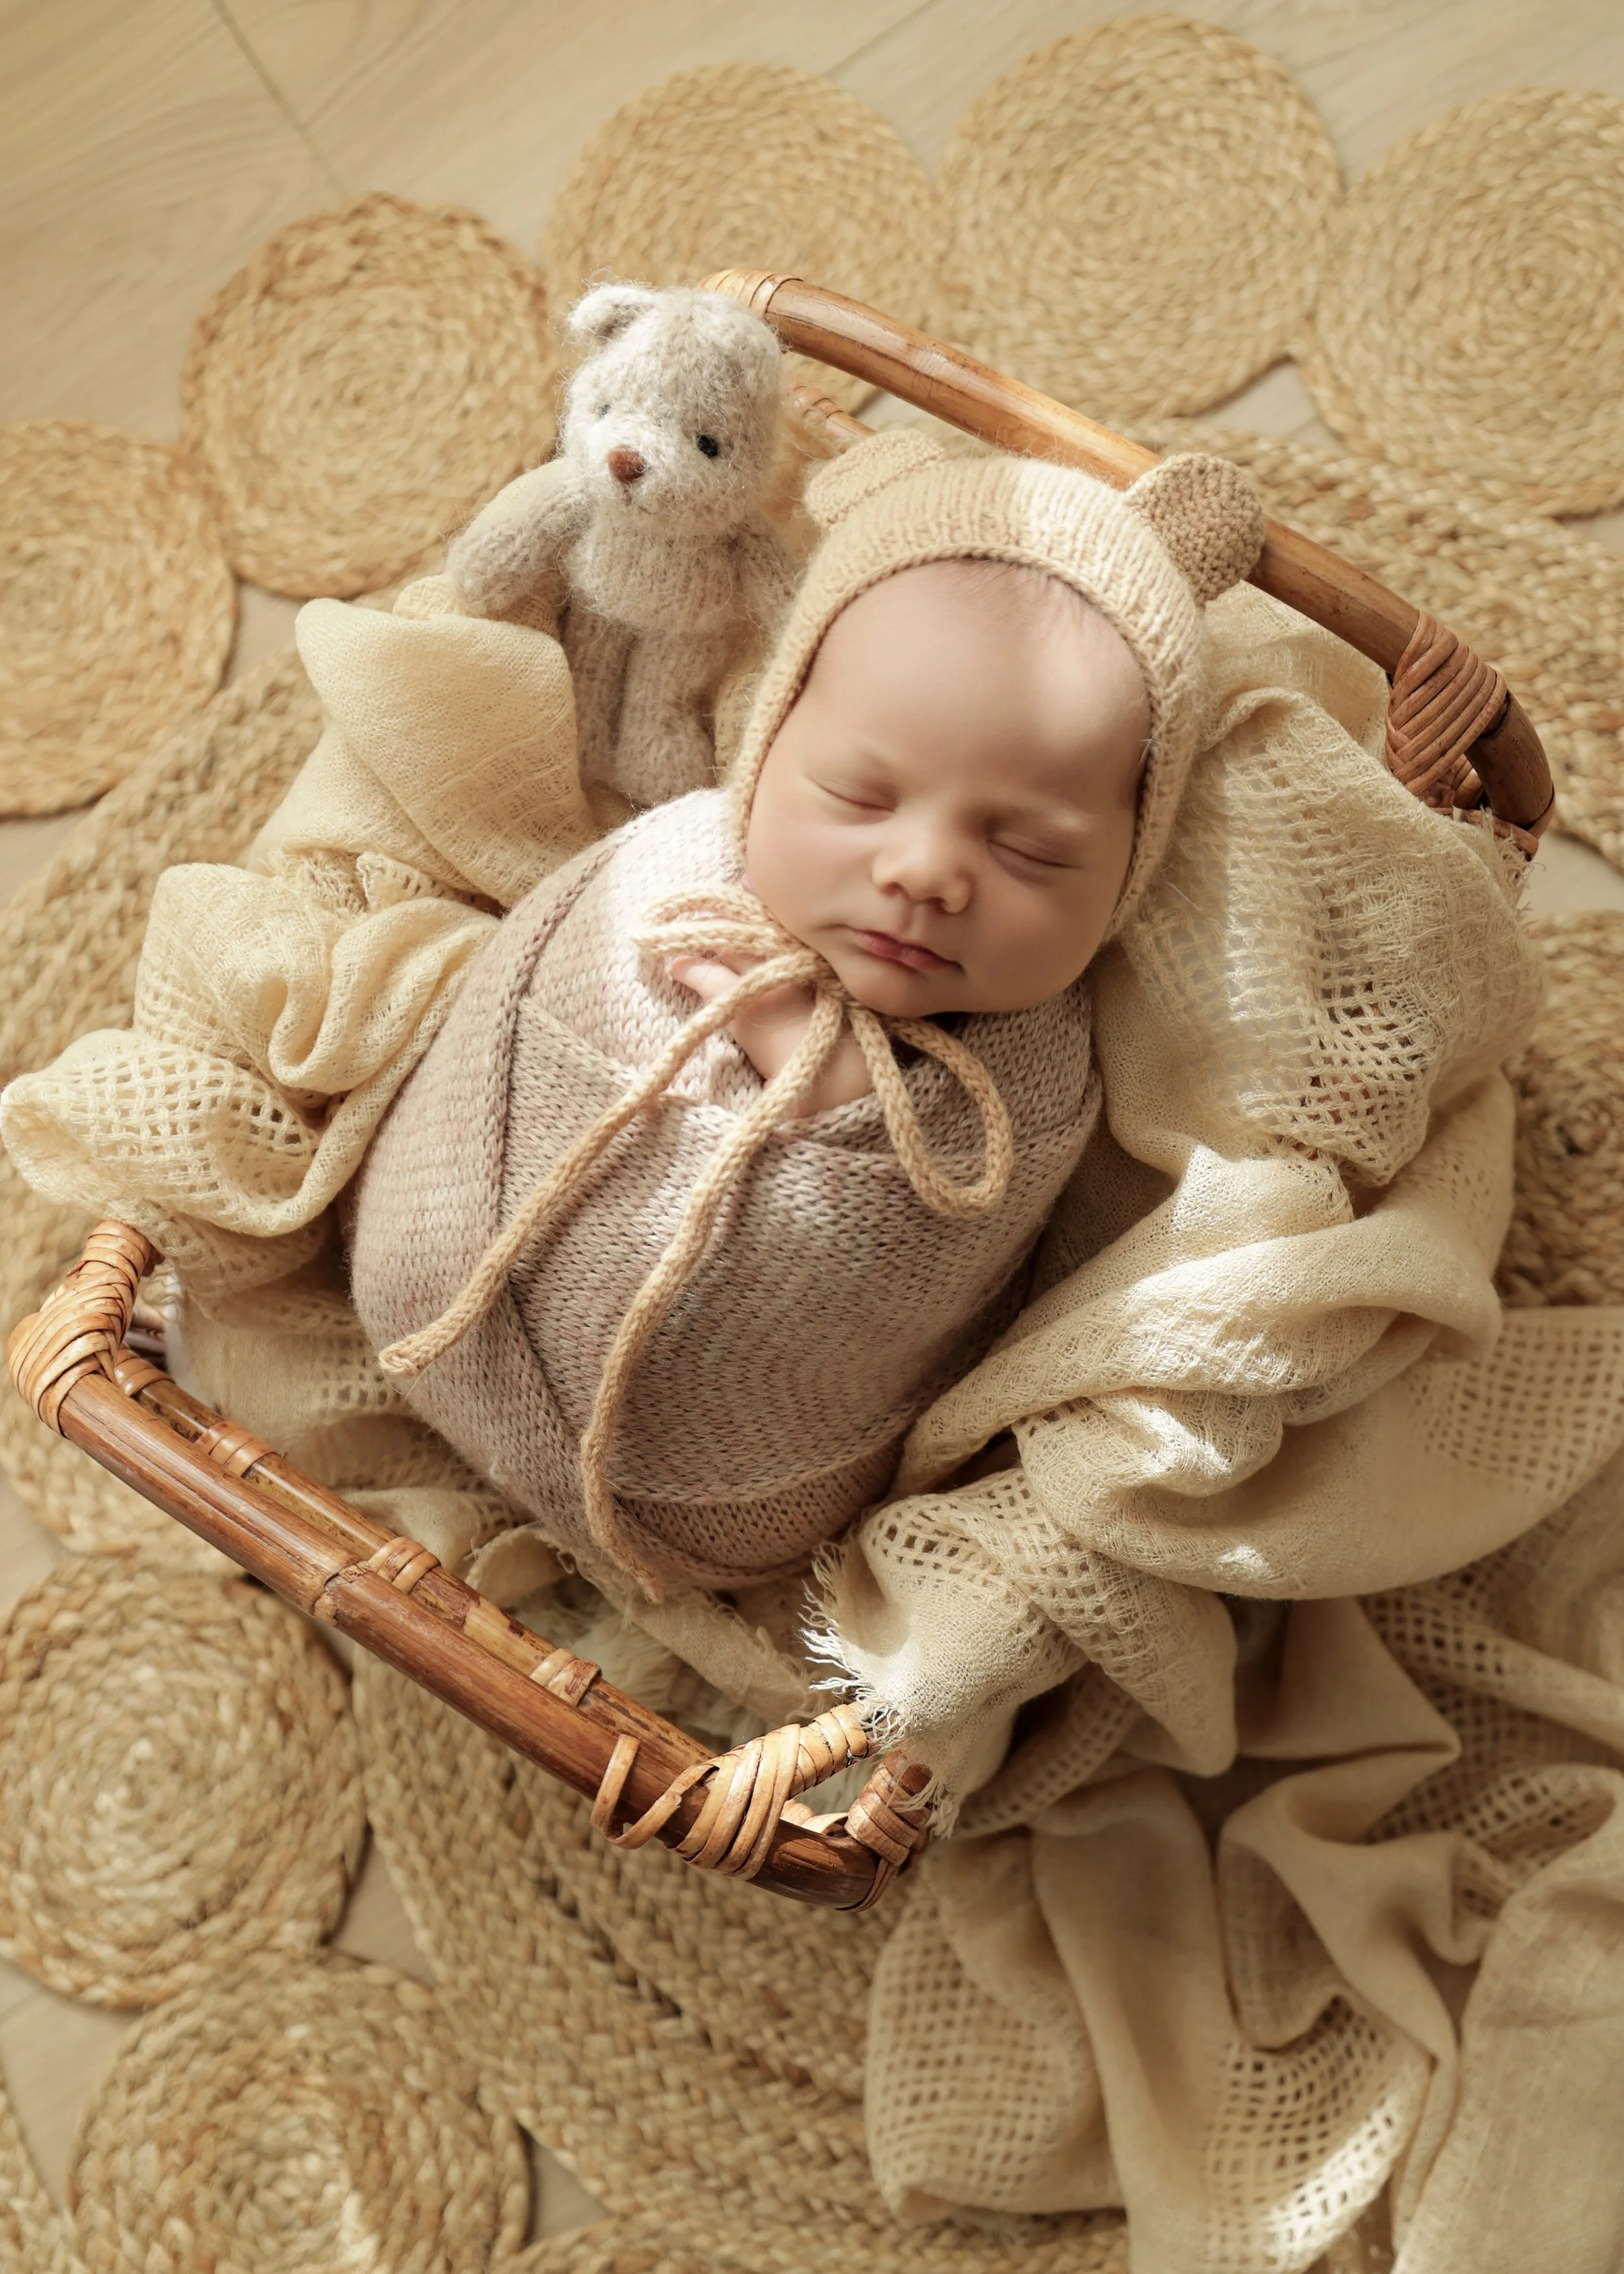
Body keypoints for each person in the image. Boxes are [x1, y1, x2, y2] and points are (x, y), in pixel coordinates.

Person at [346, 429, 1267, 1603]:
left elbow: (939, 1244)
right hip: (427, 1286)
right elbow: (526, 997)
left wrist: (836, 1103)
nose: (925, 872)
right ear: (772, 741)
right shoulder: (674, 863)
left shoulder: (1034, 1078)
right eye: (860, 796)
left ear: (1128, 872)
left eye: (1032, 850)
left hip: (709, 1497)